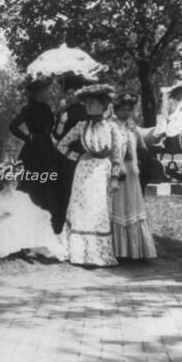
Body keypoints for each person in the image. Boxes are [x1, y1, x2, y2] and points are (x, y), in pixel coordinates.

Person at [57, 84, 122, 267]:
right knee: (81, 207)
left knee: (98, 207)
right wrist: (77, 156)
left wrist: (115, 177)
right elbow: (62, 145)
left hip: (102, 171)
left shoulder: (112, 128)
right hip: (83, 171)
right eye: (87, 103)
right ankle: (77, 253)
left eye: (93, 103)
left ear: (103, 105)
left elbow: (117, 155)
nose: (89, 106)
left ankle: (97, 254)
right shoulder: (81, 126)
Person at [0, 163, 67, 260]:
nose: (15, 184)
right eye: (12, 181)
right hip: (3, 222)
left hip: (22, 221)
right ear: (4, 182)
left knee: (39, 222)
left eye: (16, 181)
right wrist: (1, 216)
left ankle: (29, 248)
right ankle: (22, 249)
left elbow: (32, 209)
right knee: (12, 223)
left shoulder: (22, 196)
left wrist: (43, 213)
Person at [9, 77, 61, 231]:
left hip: (47, 150)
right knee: (31, 186)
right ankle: (26, 225)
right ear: (38, 92)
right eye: (45, 90)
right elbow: (13, 126)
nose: (48, 92)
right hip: (33, 152)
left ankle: (43, 225)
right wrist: (28, 138)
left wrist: (58, 116)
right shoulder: (29, 108)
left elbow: (53, 130)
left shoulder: (48, 109)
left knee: (46, 185)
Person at [110, 93, 157, 260]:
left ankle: (135, 249)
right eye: (123, 109)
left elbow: (143, 147)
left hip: (132, 170)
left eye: (129, 110)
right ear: (115, 110)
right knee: (118, 206)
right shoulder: (110, 126)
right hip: (116, 170)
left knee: (132, 205)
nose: (126, 113)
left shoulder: (132, 127)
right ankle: (118, 249)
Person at [53, 86, 89, 233]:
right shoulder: (64, 111)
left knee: (76, 190)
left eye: (72, 92)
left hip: (78, 154)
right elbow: (57, 134)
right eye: (67, 93)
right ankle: (62, 223)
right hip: (65, 156)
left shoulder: (85, 111)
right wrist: (61, 120)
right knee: (65, 190)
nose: (69, 95)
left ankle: (74, 222)